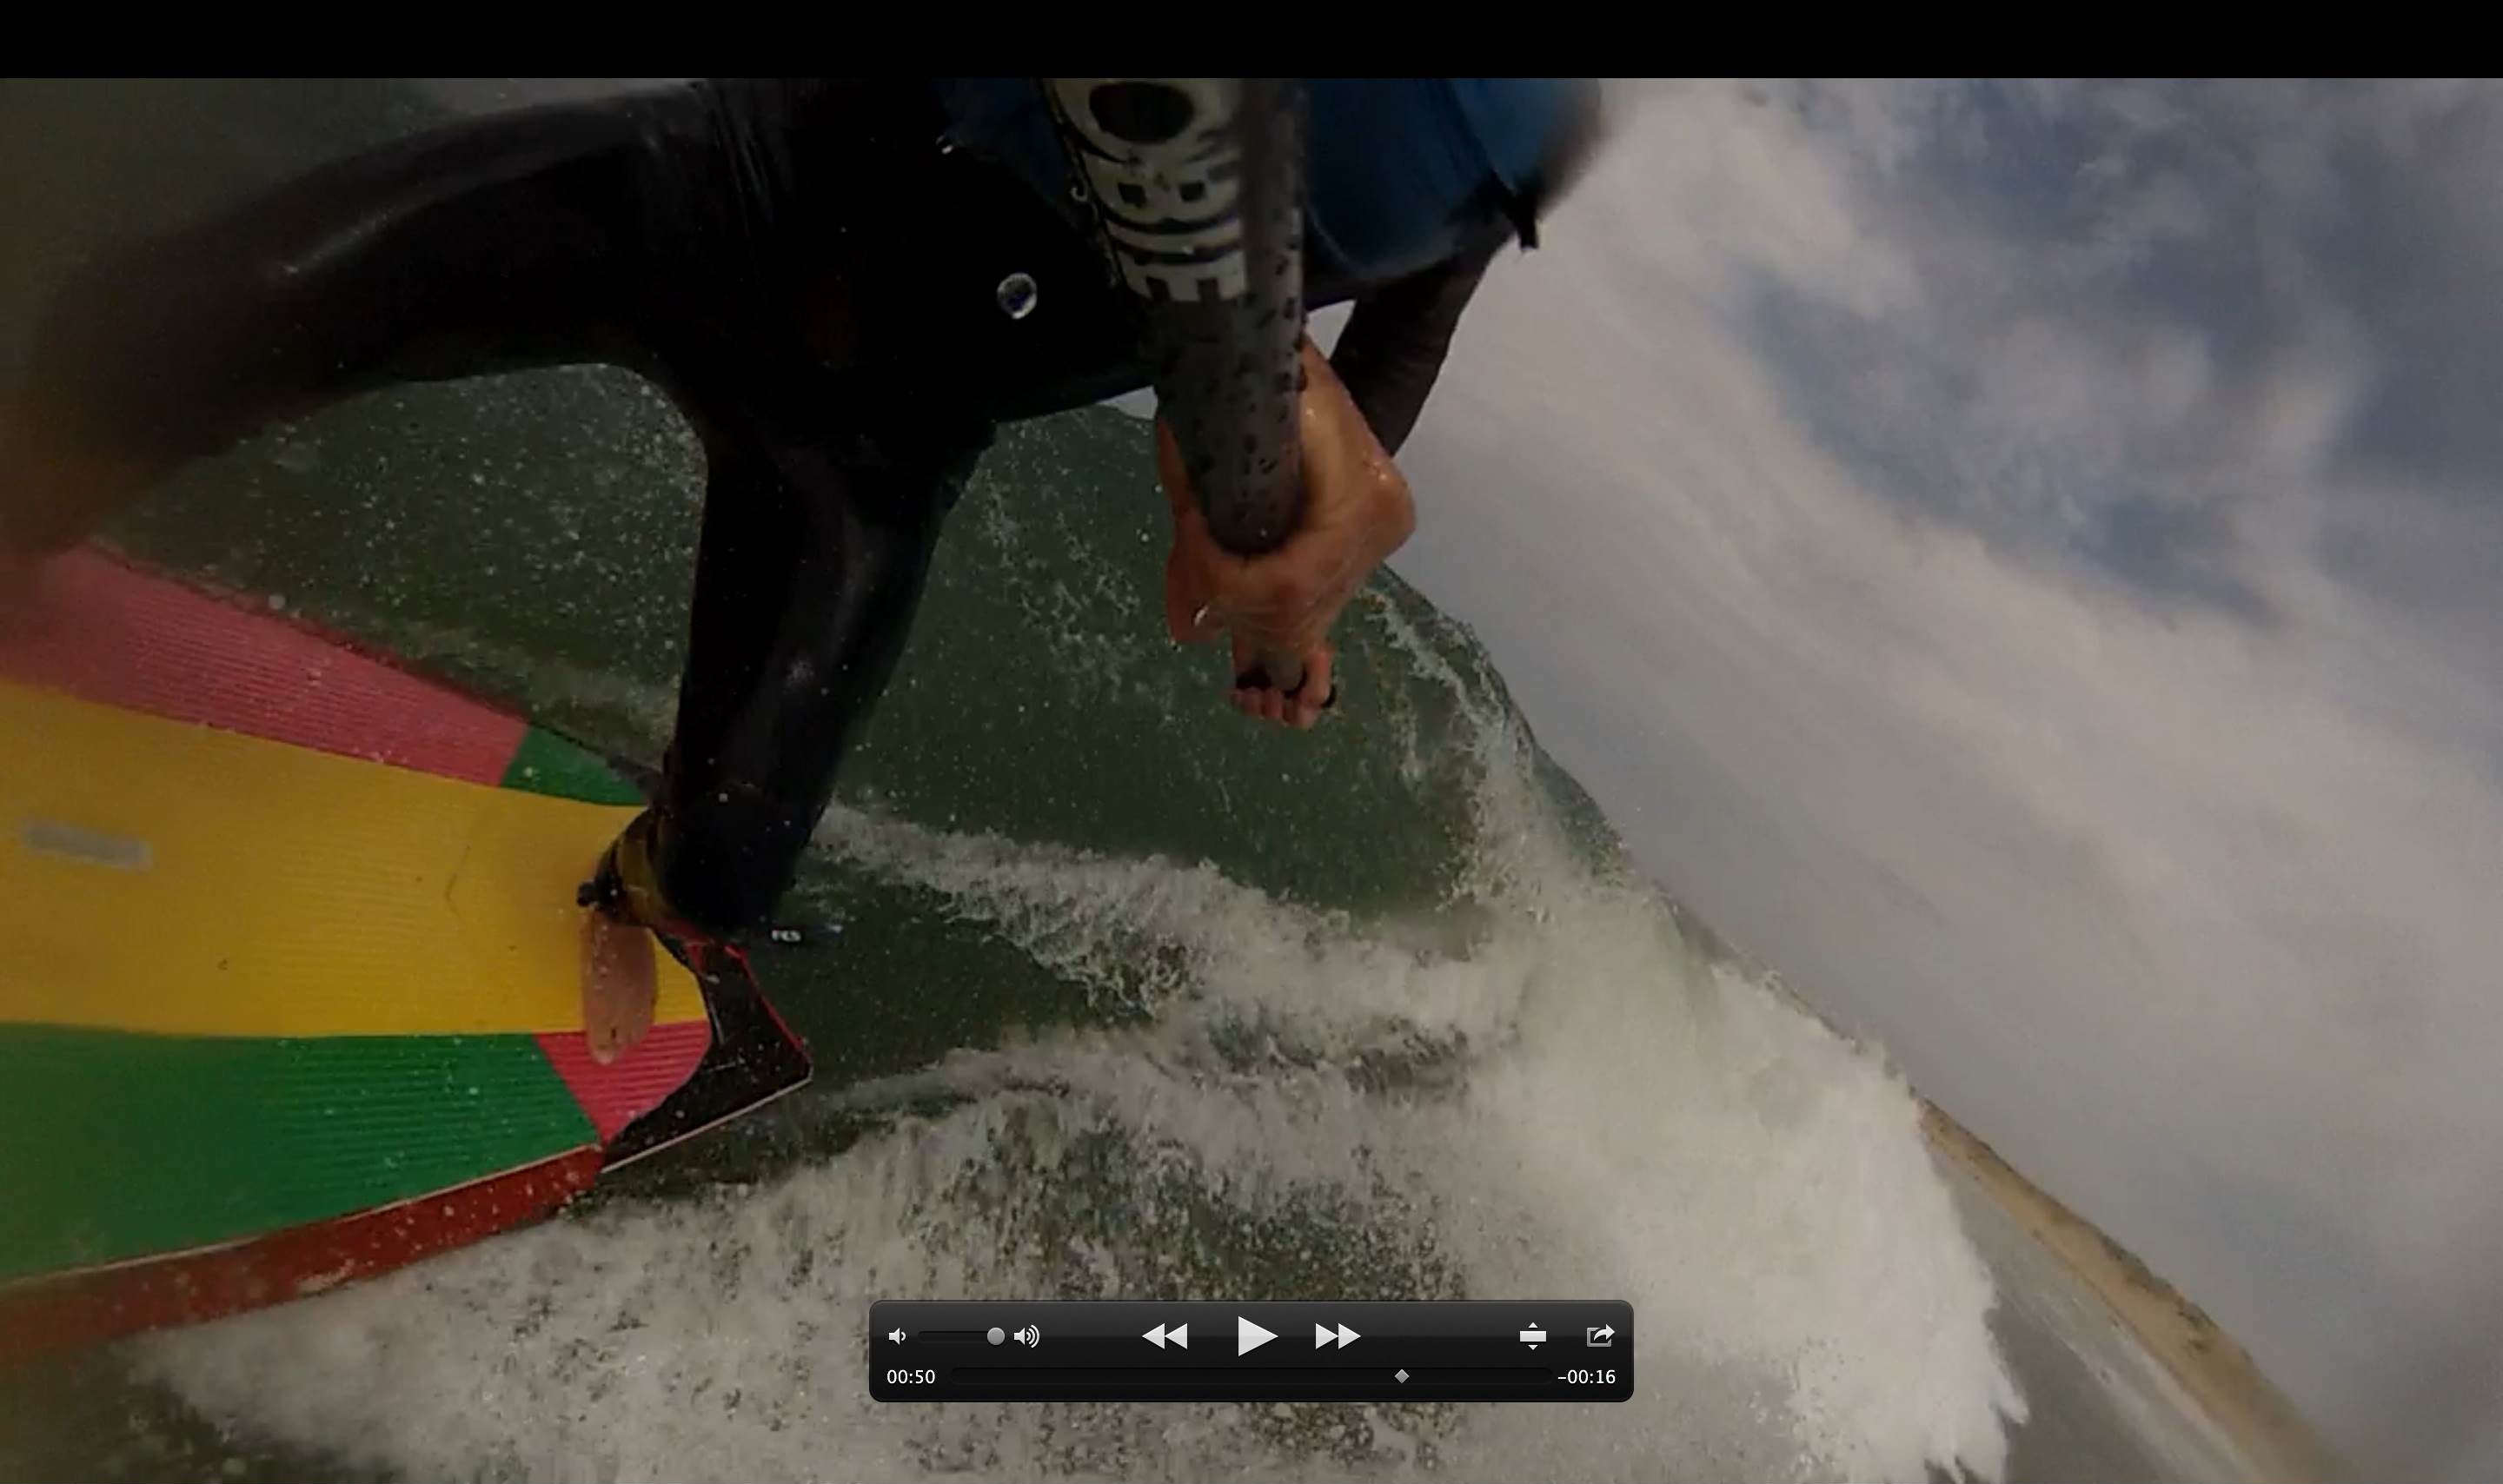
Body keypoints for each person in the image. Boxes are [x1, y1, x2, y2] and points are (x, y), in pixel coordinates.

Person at [1, 77, 1603, 993]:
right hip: (708, 200)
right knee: (166, 325)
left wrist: (1285, 601)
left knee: (719, 883)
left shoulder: (1508, 144)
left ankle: (648, 895)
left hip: (872, 443)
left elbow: (1380, 373)